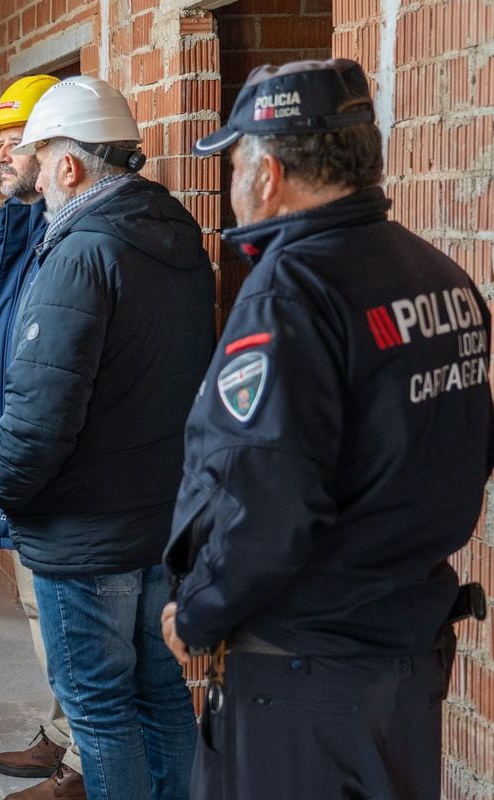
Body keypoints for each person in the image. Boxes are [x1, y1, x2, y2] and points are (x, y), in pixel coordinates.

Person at [161, 58, 494, 800]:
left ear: (269, 172)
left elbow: (265, 501)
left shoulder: (290, 293)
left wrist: (202, 615)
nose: (232, 187)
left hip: (303, 676)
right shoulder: (442, 279)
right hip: (404, 660)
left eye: (235, 163)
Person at [0, 75, 213, 800]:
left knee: (101, 709)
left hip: (84, 530)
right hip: (156, 516)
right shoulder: (175, 238)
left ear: (70, 166)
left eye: (41, 159)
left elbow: (42, 411)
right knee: (159, 690)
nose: (38, 177)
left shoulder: (80, 252)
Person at [0, 73, 89, 798]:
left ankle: (77, 752)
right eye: (0, 144)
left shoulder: (62, 239)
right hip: (13, 456)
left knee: (60, 608)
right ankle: (63, 727)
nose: (2, 157)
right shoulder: (15, 230)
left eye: (14, 144)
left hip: (44, 466)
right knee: (39, 606)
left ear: (52, 149)